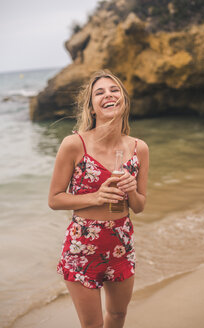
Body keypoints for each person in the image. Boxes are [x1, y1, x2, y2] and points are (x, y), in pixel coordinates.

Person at [48, 69, 149, 328]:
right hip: (82, 245)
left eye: (114, 90)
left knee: (117, 316)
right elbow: (55, 199)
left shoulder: (139, 148)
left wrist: (131, 191)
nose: (108, 95)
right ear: (92, 107)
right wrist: (96, 196)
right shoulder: (74, 144)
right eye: (99, 92)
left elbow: (139, 206)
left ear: (123, 100)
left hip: (121, 243)